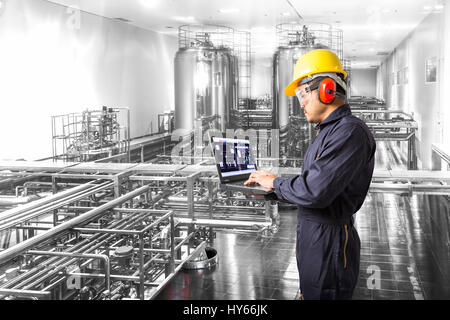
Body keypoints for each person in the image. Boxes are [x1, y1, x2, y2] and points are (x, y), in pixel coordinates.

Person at [244, 49, 376, 300]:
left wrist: (276, 183)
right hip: (314, 238)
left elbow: (315, 191)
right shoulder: (327, 131)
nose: (301, 102)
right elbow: (312, 185)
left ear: (327, 88)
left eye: (302, 93)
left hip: (330, 244)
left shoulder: (349, 132)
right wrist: (270, 192)